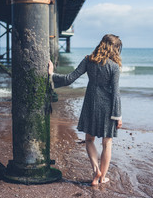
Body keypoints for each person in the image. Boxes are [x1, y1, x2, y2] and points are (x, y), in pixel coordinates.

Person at [48, 34, 122, 186]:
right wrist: (118, 115)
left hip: (90, 105)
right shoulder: (114, 67)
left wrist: (52, 74)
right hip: (108, 108)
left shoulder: (89, 60)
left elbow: (69, 78)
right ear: (114, 49)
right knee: (107, 143)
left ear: (101, 44)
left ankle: (96, 171)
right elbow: (116, 93)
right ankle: (102, 178)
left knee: (89, 140)